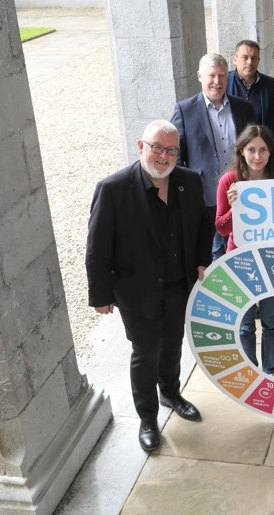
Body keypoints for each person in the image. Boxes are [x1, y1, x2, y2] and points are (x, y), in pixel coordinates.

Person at [86, 120, 214, 452]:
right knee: (145, 353)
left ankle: (171, 394)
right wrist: (101, 295)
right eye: (157, 147)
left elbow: (204, 225)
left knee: (172, 345)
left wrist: (202, 260)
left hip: (178, 285)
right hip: (136, 291)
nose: (163, 156)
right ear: (141, 147)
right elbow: (97, 248)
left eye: (171, 150)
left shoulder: (189, 181)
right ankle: (147, 418)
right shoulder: (113, 189)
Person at [215, 125, 274, 378]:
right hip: (240, 260)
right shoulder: (229, 181)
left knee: (271, 319)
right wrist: (236, 208)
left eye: (263, 150)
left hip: (271, 259)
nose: (258, 156)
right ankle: (250, 371)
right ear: (242, 151)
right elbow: (222, 229)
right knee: (244, 323)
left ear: (270, 152)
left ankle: (272, 369)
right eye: (252, 150)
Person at [172, 53, 255, 261]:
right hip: (205, 197)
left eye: (222, 76)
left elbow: (254, 147)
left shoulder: (244, 108)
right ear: (200, 76)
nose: (217, 82)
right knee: (212, 253)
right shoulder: (184, 110)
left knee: (240, 251)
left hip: (241, 196)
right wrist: (185, 192)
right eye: (211, 76)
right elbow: (177, 155)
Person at [226, 40, 274, 137]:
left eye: (254, 58)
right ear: (234, 59)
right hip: (233, 147)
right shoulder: (224, 83)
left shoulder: (272, 85)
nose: (249, 62)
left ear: (258, 61)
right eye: (245, 57)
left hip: (263, 146)